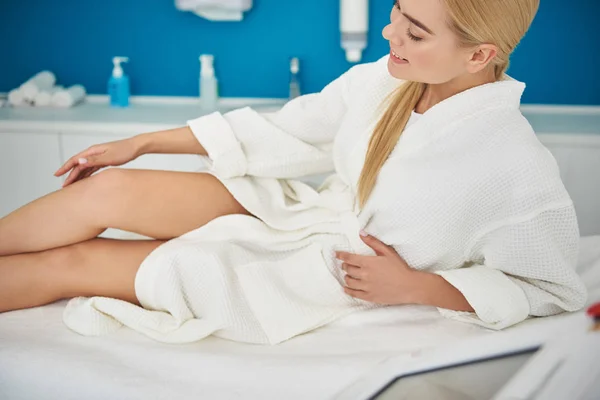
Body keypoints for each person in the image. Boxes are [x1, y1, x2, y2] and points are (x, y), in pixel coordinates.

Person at [0, 0, 587, 345]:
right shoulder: (384, 81)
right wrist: (143, 141)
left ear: (480, 55)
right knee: (110, 189)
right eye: (396, 13)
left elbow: (553, 289)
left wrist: (420, 288)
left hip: (314, 275)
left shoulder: (514, 166)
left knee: (71, 265)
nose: (389, 34)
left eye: (415, 31)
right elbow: (287, 128)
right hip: (302, 215)